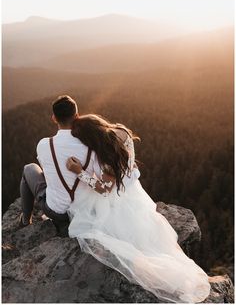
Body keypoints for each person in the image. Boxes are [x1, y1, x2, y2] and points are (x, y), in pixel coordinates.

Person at [66, 114, 211, 303]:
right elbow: (130, 164)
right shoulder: (121, 130)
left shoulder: (106, 153)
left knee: (98, 227)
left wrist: (80, 172)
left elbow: (105, 189)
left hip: (117, 199)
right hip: (134, 192)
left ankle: (171, 278)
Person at [19, 95, 106, 235]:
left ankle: (25, 220)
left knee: (29, 168)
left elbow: (47, 174)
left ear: (54, 118)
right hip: (83, 211)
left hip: (56, 211)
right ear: (77, 116)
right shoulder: (91, 146)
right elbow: (101, 182)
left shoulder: (44, 144)